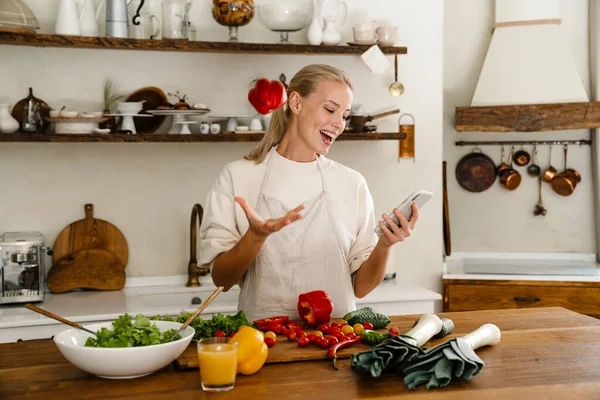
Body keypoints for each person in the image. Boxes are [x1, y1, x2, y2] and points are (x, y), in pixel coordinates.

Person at [199, 64, 419, 322]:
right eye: (330, 109)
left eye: (345, 115)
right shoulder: (238, 177)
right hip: (261, 343)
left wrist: (384, 245)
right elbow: (221, 280)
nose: (339, 124)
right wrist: (255, 237)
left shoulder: (352, 183)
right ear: (295, 103)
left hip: (336, 343)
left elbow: (360, 287)